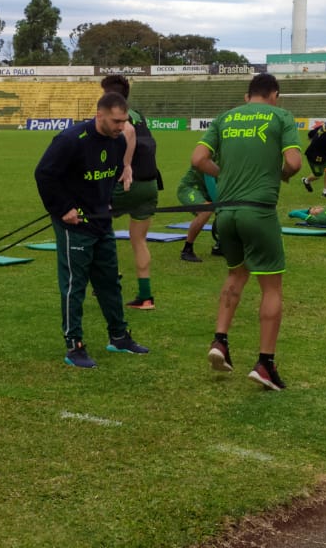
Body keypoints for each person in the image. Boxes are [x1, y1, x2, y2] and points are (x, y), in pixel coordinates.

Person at [191, 73, 303, 390]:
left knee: (236, 274)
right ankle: (265, 363)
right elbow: (294, 163)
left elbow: (198, 159)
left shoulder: (224, 118)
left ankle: (220, 340)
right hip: (258, 211)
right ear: (274, 95)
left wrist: (224, 173)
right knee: (271, 287)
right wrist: (278, 174)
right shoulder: (281, 116)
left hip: (226, 213)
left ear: (247, 96)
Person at [33, 92, 149, 368]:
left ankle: (119, 336)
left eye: (124, 121)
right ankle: (74, 345)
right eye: (116, 121)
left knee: (110, 282)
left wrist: (106, 202)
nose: (121, 126)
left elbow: (109, 175)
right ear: (99, 115)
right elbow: (44, 174)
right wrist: (64, 208)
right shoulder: (71, 140)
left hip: (101, 222)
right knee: (75, 285)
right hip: (73, 225)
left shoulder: (119, 141)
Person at [100, 74, 161, 309]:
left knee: (95, 228)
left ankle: (107, 279)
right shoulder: (138, 115)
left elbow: (121, 144)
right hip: (150, 183)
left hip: (126, 183)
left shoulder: (118, 121)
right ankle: (146, 297)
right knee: (139, 241)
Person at [176, 164, 220, 261]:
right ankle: (187, 249)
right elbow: (211, 185)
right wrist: (220, 209)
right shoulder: (208, 158)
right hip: (190, 189)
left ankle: (221, 245)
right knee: (206, 210)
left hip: (207, 191)